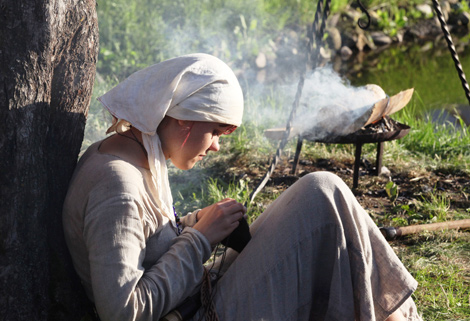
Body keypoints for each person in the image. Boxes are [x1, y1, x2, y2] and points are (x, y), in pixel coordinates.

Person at [62, 53, 422, 321]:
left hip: (199, 297)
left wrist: (192, 222)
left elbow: (143, 240)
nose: (216, 145)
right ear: (186, 120)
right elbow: (122, 312)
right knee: (322, 194)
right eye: (216, 132)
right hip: (197, 313)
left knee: (322, 193)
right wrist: (198, 239)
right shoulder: (118, 187)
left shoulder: (135, 151)